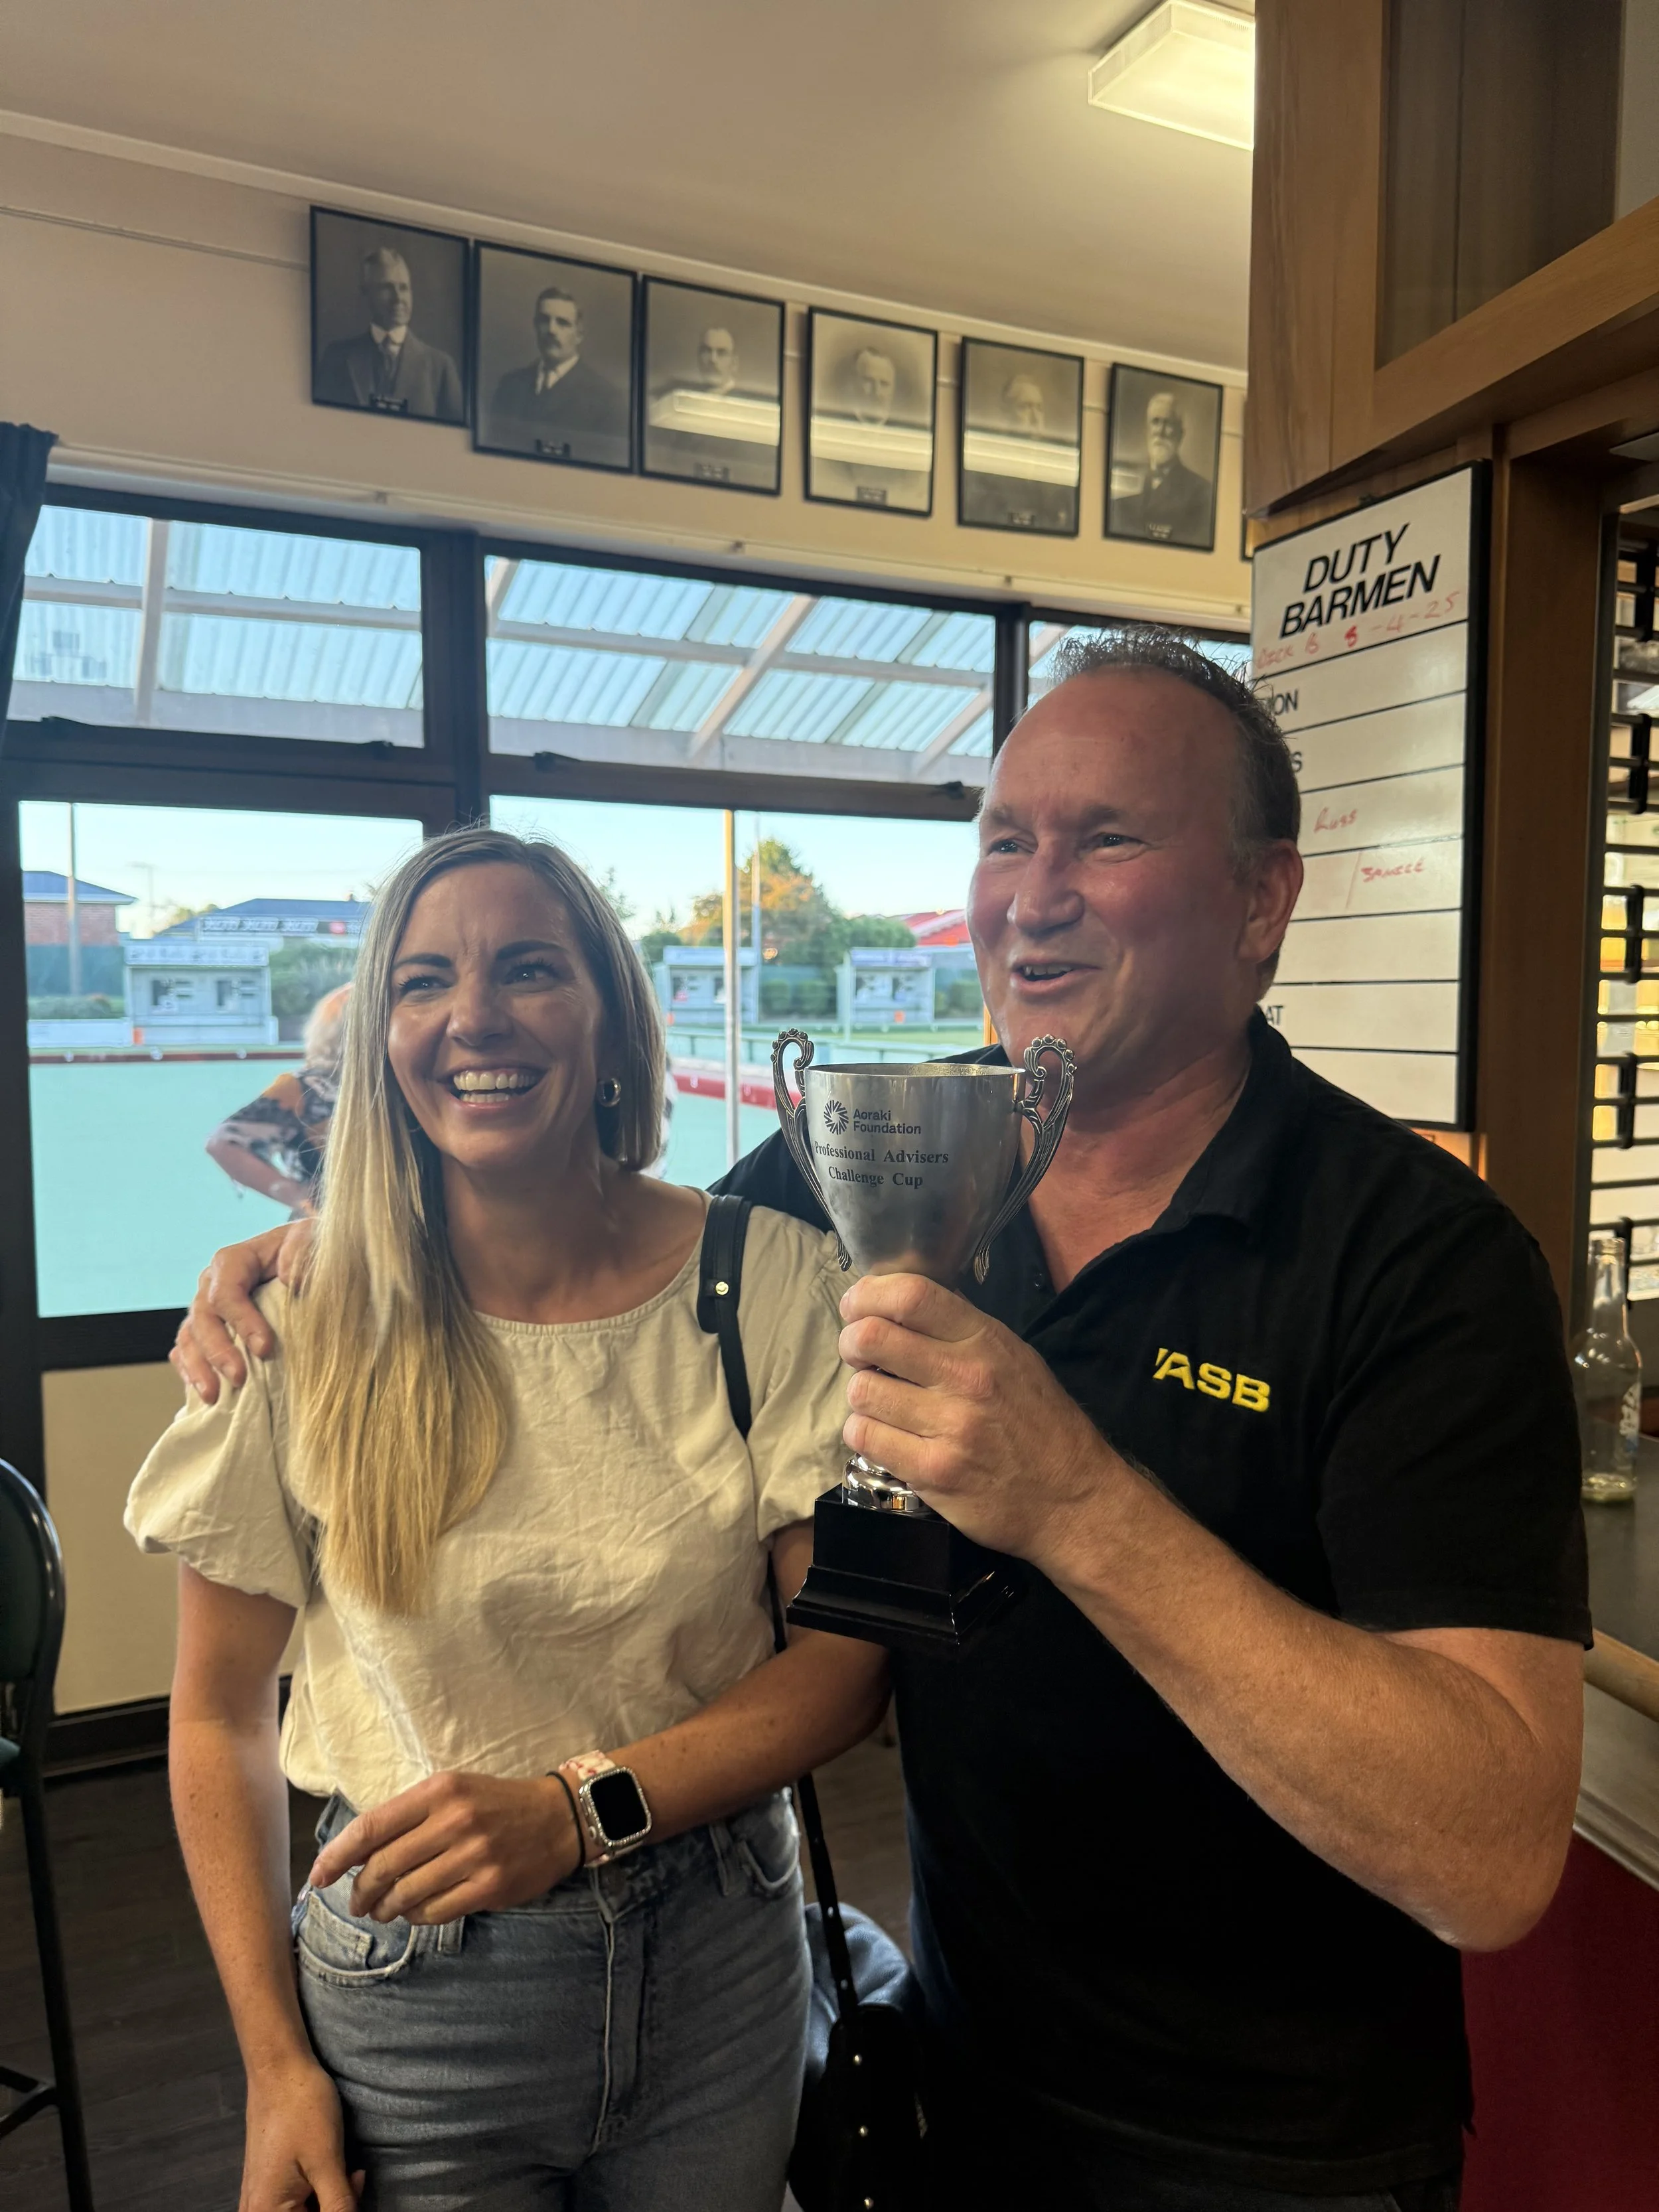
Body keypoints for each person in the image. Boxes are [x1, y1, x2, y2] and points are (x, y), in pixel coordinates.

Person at [175, 635, 1589, 2211]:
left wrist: (1079, 1499)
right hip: (960, 2070)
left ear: (1262, 899)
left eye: (1107, 839)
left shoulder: (1418, 1260)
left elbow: (1487, 1858)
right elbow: (604, 1256)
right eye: (1004, 840)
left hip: (1273, 2146)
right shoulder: (874, 1163)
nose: (1031, 897)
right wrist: (325, 1250)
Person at [136, 827, 887, 2212]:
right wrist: (272, 2062)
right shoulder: (295, 1318)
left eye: (529, 968)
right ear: (381, 1044)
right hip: (418, 1991)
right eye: (422, 981)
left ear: (610, 1022)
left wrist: (576, 1811)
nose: (473, 1016)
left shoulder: (771, 1281)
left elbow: (840, 1664)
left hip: (721, 1954)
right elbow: (218, 1711)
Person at [205, 984, 350, 1217]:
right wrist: (300, 1198)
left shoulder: (393, 1086)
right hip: (326, 1228)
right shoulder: (303, 1087)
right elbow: (223, 1143)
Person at [315, 246, 465, 421]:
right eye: (387, 288)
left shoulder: (441, 367)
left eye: (404, 288)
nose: (398, 298)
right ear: (365, 292)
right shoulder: (337, 358)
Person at [488, 285, 630, 466]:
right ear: (535, 326)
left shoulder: (606, 400)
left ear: (579, 335)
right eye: (544, 320)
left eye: (562, 323)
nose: (551, 330)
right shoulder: (510, 386)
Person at [645, 324, 776, 490]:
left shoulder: (753, 409)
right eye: (706, 351)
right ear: (698, 358)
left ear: (734, 362)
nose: (713, 359)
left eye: (721, 353)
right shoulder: (678, 402)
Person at [810, 343, 930, 510]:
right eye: (868, 381)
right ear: (852, 385)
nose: (877, 392)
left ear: (894, 390)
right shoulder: (828, 435)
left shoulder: (910, 446)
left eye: (885, 384)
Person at [960, 368, 1077, 534]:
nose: (1035, 418)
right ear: (1006, 415)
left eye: (1039, 408)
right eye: (1025, 407)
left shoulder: (1062, 473)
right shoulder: (986, 469)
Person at [1110, 388, 1216, 546]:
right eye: (1156, 422)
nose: (1160, 431)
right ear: (1147, 430)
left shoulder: (1202, 492)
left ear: (1180, 434)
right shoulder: (1124, 484)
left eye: (1168, 423)